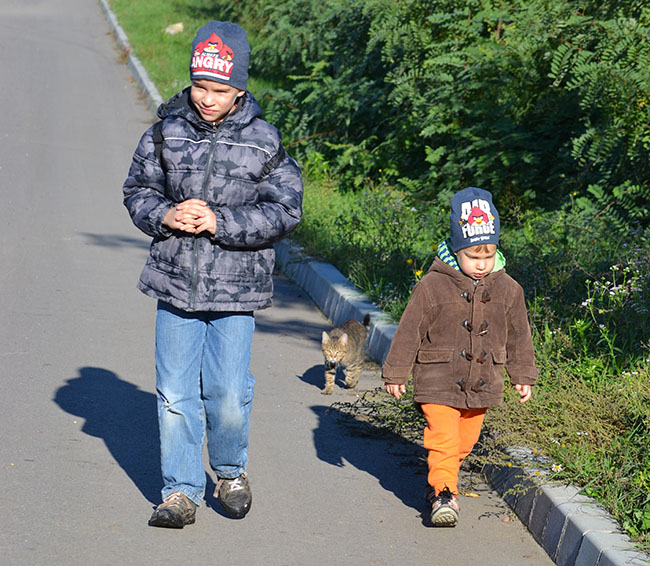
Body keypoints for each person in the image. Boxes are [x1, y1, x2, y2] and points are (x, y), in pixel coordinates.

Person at [123, 21, 303, 528]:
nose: (206, 98)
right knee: (175, 393)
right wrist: (165, 215)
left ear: (240, 89)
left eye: (219, 90)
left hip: (236, 290)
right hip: (175, 285)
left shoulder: (264, 143)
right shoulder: (164, 133)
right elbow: (137, 191)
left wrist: (222, 222)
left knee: (226, 393)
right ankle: (180, 492)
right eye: (200, 86)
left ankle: (228, 472)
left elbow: (286, 209)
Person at [382, 187, 537, 527]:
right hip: (437, 378)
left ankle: (441, 478)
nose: (482, 265)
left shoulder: (509, 289)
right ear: (456, 249)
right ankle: (444, 494)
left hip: (482, 381)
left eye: (489, 255)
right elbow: (410, 331)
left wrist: (522, 374)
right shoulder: (432, 286)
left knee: (465, 440)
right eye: (473, 257)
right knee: (445, 438)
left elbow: (520, 335)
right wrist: (396, 373)